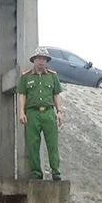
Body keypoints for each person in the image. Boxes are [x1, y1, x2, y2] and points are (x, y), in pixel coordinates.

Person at [18, 47, 64, 181]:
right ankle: (37, 173)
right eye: (38, 58)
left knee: (52, 143)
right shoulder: (26, 76)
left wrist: (60, 111)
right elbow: (22, 94)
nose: (41, 61)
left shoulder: (52, 76)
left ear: (47, 61)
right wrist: (21, 111)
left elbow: (56, 94)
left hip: (49, 112)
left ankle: (55, 171)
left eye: (44, 59)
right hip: (32, 113)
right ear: (34, 60)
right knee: (33, 144)